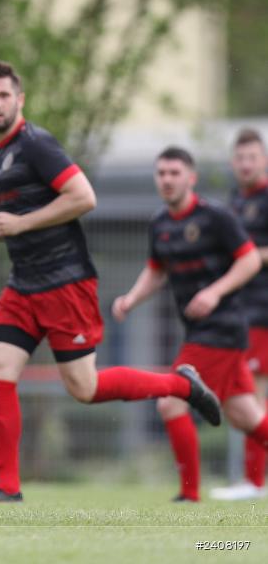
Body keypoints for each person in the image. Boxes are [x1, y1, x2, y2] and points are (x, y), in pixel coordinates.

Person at [0, 61, 221, 502]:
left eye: (4, 95)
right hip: (23, 284)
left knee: (85, 388)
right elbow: (20, 215)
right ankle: (8, 488)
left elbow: (84, 196)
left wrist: (22, 224)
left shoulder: (37, 144)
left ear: (19, 99)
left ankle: (181, 385)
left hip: (65, 282)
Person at [113, 146, 268, 502]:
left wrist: (214, 292)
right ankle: (194, 491)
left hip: (222, 329)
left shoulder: (216, 217)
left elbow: (249, 262)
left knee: (170, 402)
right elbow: (157, 270)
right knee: (247, 416)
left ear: (191, 178)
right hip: (200, 330)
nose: (167, 180)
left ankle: (189, 494)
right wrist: (131, 299)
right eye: (161, 173)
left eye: (174, 173)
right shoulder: (160, 223)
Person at [211, 129, 268, 500]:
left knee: (252, 395)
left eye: (253, 157)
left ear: (262, 160)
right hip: (240, 310)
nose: (246, 164)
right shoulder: (233, 200)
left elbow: (249, 255)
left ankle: (254, 482)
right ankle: (254, 481)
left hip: (263, 310)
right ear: (233, 163)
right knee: (248, 395)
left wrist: (247, 260)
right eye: (240, 158)